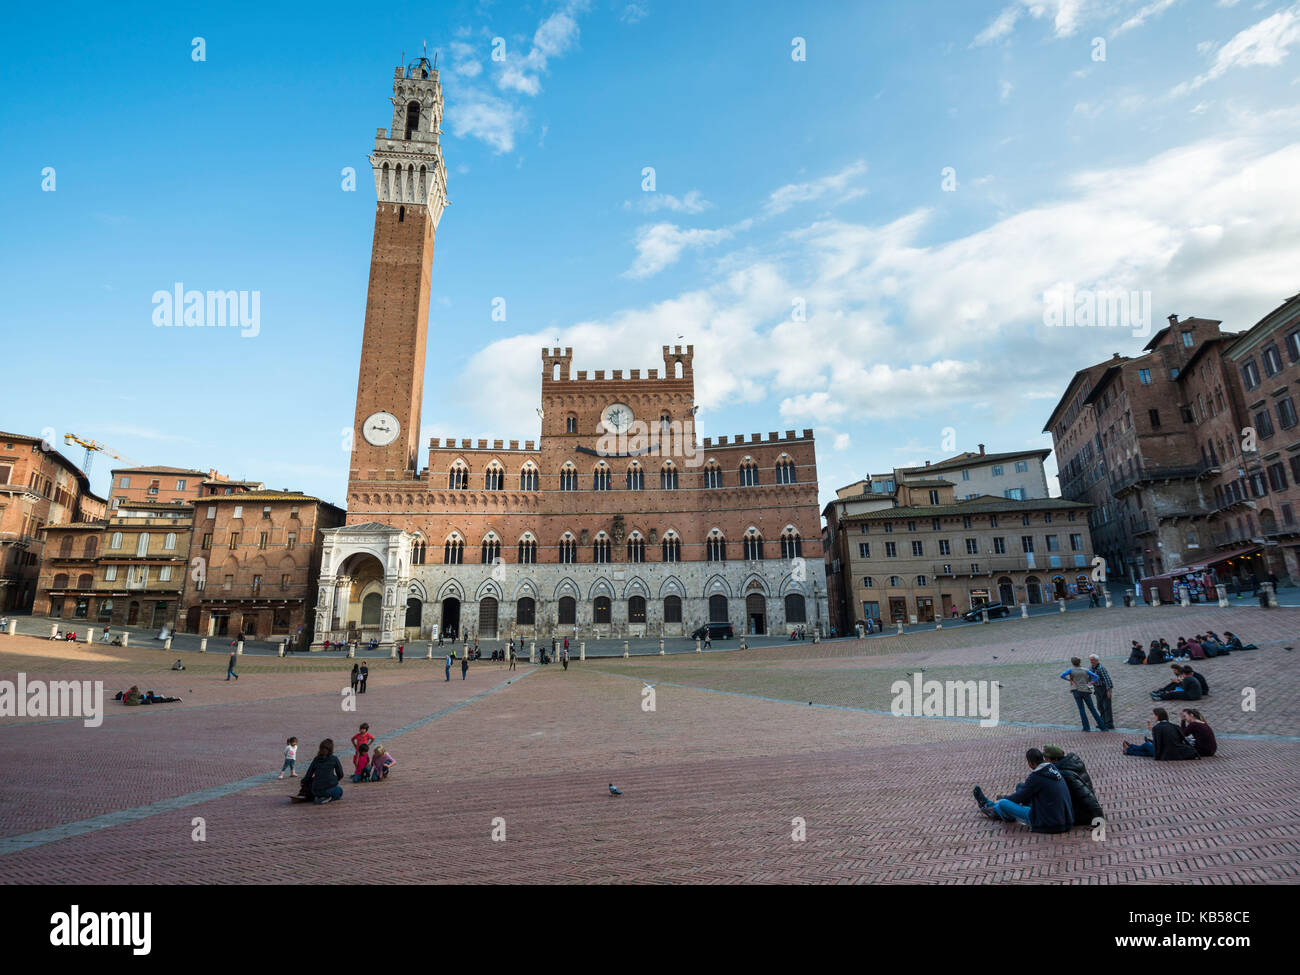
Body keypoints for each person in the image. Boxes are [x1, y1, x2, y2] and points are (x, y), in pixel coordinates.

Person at [972, 747, 1073, 833]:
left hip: (1046, 822)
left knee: (1003, 803)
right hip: (1063, 819)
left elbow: (1018, 797)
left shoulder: (1036, 777)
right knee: (1020, 786)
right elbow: (1024, 793)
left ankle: (990, 806)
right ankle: (997, 810)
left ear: (1031, 763)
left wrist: (1004, 798)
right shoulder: (1052, 769)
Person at [1042, 745, 1104, 827]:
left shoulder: (1067, 774)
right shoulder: (1069, 765)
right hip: (1078, 809)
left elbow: (1088, 797)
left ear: (1055, 760)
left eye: (1046, 759)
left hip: (1081, 815)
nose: (1045, 762)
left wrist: (1099, 822)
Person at [1123, 708, 1199, 759]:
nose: (1153, 717)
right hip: (1177, 750)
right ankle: (1130, 749)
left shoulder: (1157, 728)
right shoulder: (1174, 726)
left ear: (1157, 716)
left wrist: (1155, 752)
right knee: (1147, 749)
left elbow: (1157, 744)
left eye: (1154, 715)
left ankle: (1130, 749)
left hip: (1166, 753)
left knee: (1146, 745)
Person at [1059, 656, 1104, 731]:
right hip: (1085, 690)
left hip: (1076, 690)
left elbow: (1062, 675)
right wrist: (1091, 683)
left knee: (1081, 709)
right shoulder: (1085, 670)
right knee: (1092, 709)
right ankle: (1102, 726)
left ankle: (1086, 728)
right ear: (1080, 662)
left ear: (1072, 663)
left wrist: (1070, 680)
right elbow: (1096, 676)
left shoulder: (1071, 670)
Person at [303, 739, 344, 804]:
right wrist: (334, 779)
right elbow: (341, 774)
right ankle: (328, 798)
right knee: (340, 791)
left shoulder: (316, 759)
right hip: (328, 789)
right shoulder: (334, 759)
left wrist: (304, 783)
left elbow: (308, 775)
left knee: (325, 790)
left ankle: (320, 797)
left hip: (315, 790)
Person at [1088, 654, 1114, 731]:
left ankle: (1109, 724)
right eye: (1090, 660)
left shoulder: (1101, 668)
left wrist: (1109, 691)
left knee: (1107, 706)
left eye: (1092, 660)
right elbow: (1090, 677)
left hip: (1104, 688)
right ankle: (1102, 721)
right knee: (1100, 706)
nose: (1091, 662)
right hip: (1097, 689)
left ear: (1097, 660)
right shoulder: (1091, 667)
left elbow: (1108, 680)